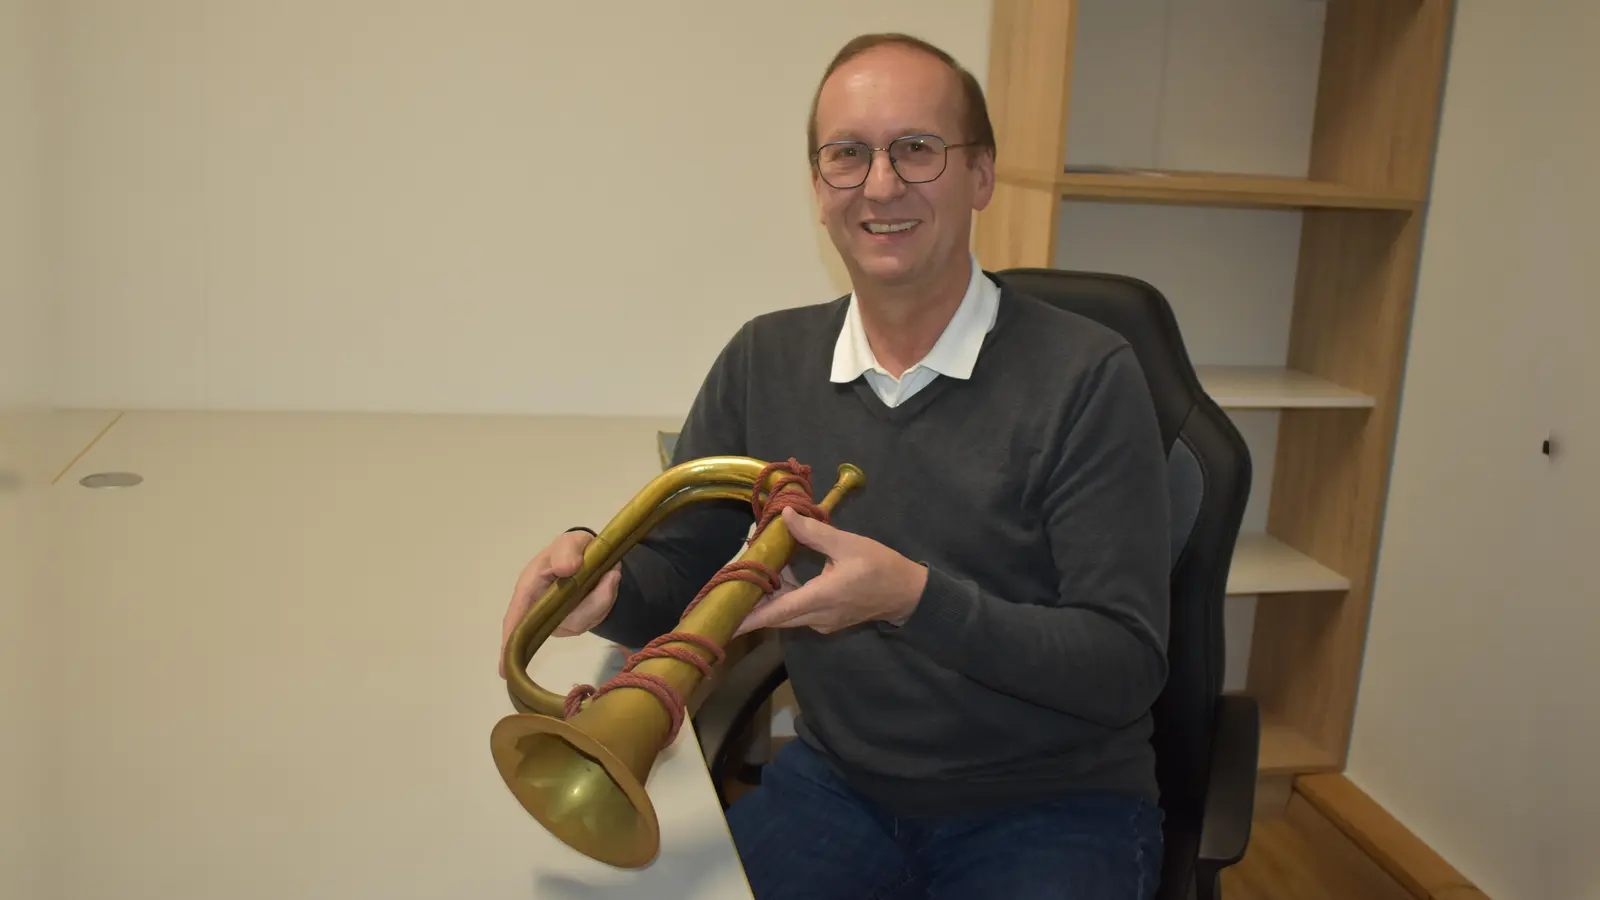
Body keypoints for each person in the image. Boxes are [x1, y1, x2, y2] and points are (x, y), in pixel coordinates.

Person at [501, 32, 1172, 900]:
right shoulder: (764, 357)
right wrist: (606, 584)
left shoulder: (1089, 375)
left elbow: (1123, 665)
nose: (881, 184)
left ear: (980, 176)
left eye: (917, 149)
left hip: (1052, 803)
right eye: (847, 154)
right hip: (841, 788)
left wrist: (912, 599)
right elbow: (683, 574)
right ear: (818, 188)